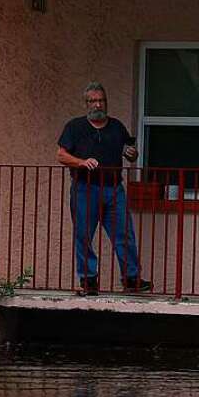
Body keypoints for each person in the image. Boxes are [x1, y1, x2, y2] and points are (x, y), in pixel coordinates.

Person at [56, 82, 151, 296]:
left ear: (106, 102)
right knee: (84, 235)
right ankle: (88, 280)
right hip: (85, 188)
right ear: (86, 104)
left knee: (124, 234)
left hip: (114, 189)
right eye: (93, 101)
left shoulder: (116, 127)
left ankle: (131, 278)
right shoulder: (75, 127)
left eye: (101, 100)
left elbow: (131, 152)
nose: (98, 104)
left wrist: (131, 154)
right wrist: (81, 162)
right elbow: (61, 155)